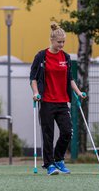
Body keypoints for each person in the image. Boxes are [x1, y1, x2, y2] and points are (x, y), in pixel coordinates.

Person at [30, 22, 85, 176]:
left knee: (68, 132)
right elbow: (33, 78)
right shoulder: (41, 56)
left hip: (62, 102)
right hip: (46, 101)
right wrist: (35, 92)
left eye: (63, 42)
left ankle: (58, 158)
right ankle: (49, 165)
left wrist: (79, 92)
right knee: (48, 134)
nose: (61, 45)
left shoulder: (66, 57)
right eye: (59, 42)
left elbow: (70, 79)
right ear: (52, 40)